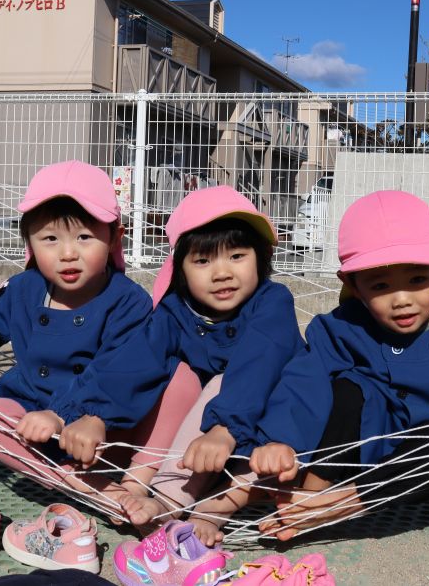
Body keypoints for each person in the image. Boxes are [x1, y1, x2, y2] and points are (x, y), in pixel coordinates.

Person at [0, 160, 201, 514]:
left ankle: (137, 480)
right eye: (50, 239)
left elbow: (121, 370)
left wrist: (72, 414)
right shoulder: (23, 289)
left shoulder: (127, 301)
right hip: (34, 425)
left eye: (84, 237)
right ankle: (73, 482)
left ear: (114, 237)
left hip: (107, 427)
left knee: (181, 376)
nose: (68, 253)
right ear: (30, 244)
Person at [250, 190, 429, 541]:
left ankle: (333, 506)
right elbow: (301, 384)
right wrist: (280, 440)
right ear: (352, 284)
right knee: (344, 388)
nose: (402, 300)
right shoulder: (339, 327)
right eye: (381, 286)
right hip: (366, 452)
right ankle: (312, 491)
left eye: (418, 280)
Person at [56, 186, 304, 546]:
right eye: (203, 261)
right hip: (204, 440)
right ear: (181, 268)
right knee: (176, 373)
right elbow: (135, 362)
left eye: (236, 256)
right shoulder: (176, 310)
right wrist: (95, 414)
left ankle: (198, 508)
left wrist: (224, 429)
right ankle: (149, 488)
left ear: (261, 257)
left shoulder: (272, 302)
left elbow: (259, 366)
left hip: (268, 425)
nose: (221, 273)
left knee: (261, 458)